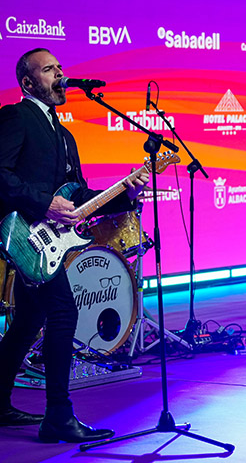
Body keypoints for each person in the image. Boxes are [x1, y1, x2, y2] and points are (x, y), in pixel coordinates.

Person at [0, 48, 149, 443]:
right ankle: (58, 417)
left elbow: (78, 196)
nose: (60, 75)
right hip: (21, 233)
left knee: (27, 322)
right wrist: (44, 203)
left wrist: (125, 194)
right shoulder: (16, 117)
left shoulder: (65, 136)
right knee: (63, 312)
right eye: (49, 70)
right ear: (28, 82)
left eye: (60, 68)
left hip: (45, 242)